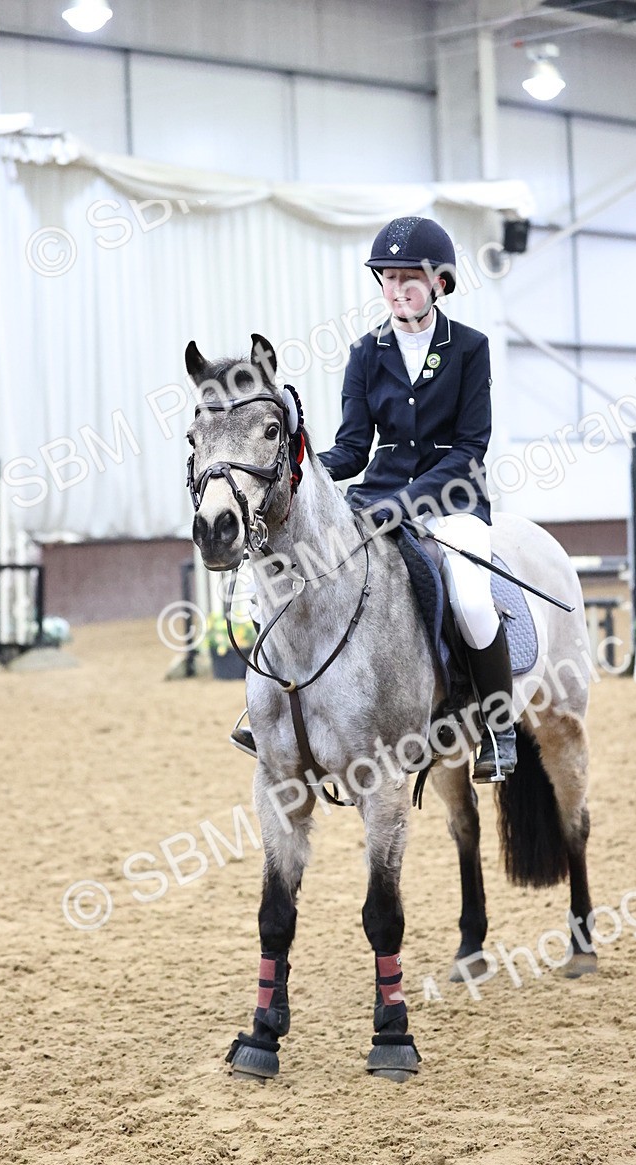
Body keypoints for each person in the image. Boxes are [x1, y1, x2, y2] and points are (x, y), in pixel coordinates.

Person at [232, 215, 516, 781]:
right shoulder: (366, 353)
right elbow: (354, 448)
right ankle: (267, 706)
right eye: (387, 277)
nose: (398, 288)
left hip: (453, 498)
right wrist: (301, 464)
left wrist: (406, 502)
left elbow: (469, 448)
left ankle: (498, 726)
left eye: (411, 277)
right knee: (305, 573)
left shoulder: (470, 349)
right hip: (376, 495)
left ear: (440, 283)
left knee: (473, 598)